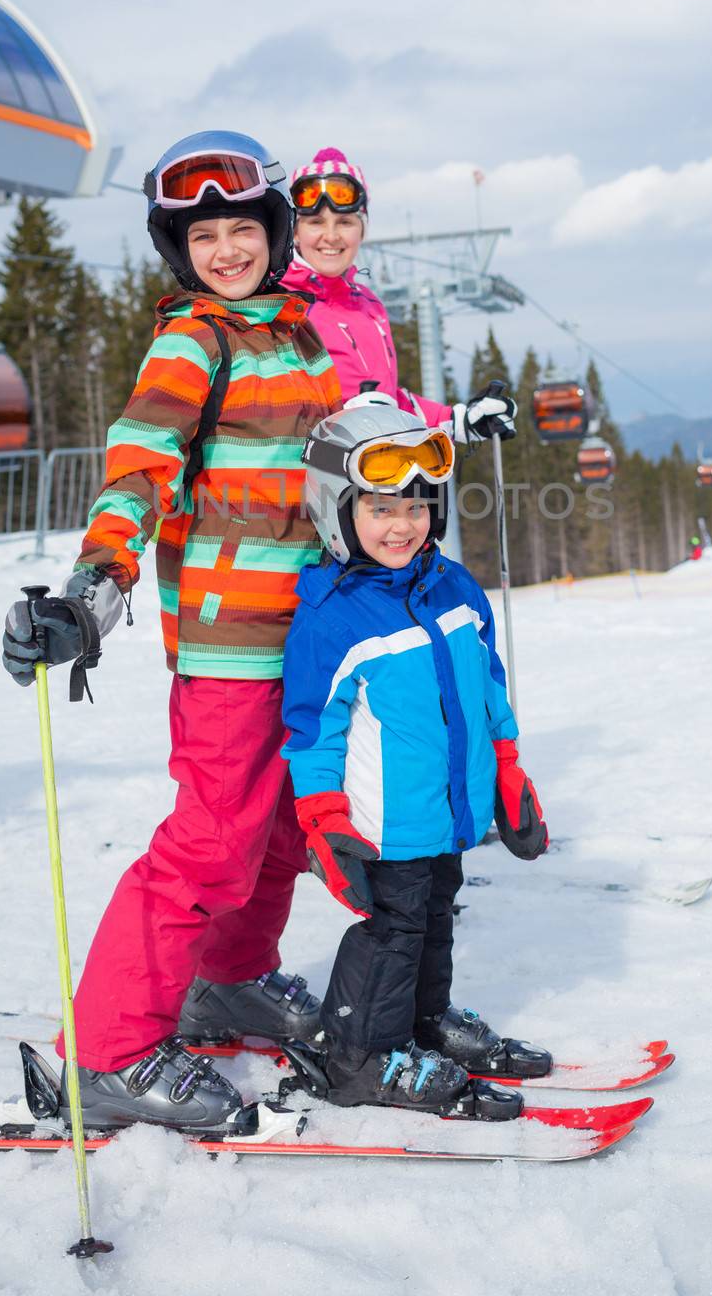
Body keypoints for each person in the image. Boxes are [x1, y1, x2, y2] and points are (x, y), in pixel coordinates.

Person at [1, 131, 342, 1133]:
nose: (225, 248)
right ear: (177, 251)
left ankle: (230, 979)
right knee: (210, 841)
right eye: (203, 236)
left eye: (242, 226)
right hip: (232, 638)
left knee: (279, 830)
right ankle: (107, 1052)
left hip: (309, 629)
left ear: (273, 232)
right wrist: (89, 592)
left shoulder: (297, 335)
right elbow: (140, 467)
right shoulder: (194, 339)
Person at [281, 394, 551, 1115]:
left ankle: (420, 1026)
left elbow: (488, 688)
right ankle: (360, 1056)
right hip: (385, 821)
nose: (401, 525)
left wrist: (509, 771)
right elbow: (310, 734)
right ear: (337, 512)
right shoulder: (331, 618)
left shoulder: (454, 588)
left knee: (436, 917)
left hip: (448, 811)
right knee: (393, 932)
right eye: (378, 509)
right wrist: (323, 821)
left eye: (415, 506)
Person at [281, 146, 517, 445]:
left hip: (378, 475)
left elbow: (387, 403)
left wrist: (456, 419)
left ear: (361, 231)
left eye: (345, 223)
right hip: (310, 481)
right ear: (296, 232)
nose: (331, 236)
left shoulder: (368, 307)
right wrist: (345, 419)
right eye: (315, 223)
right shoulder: (278, 302)